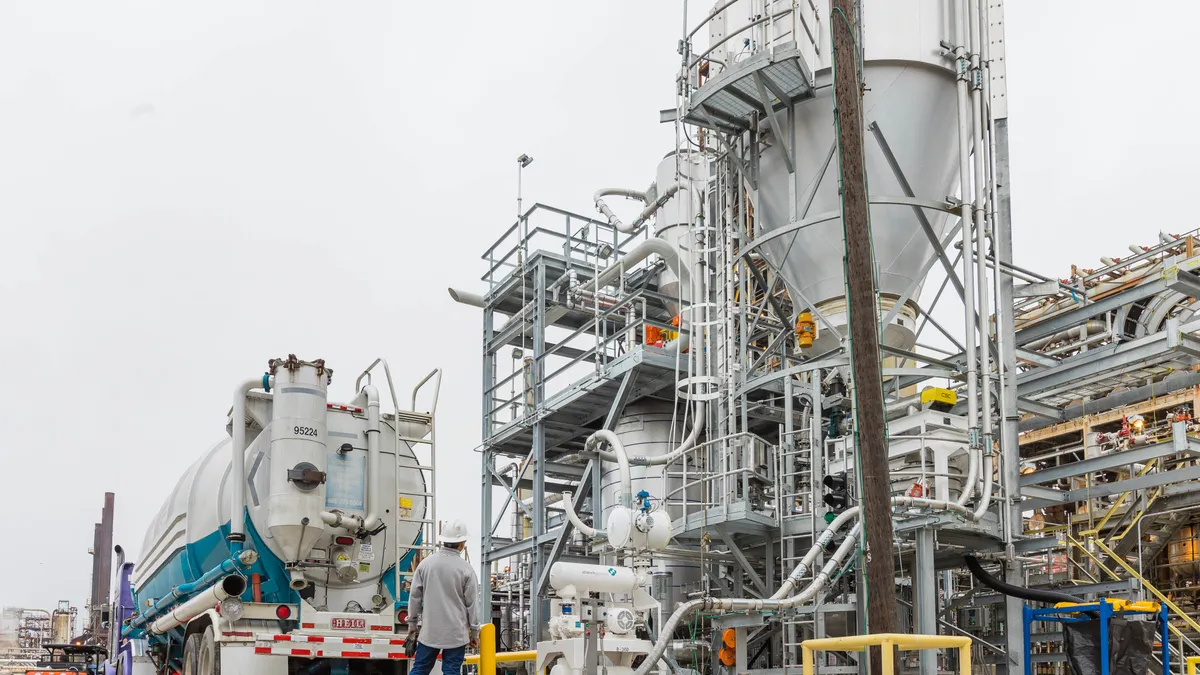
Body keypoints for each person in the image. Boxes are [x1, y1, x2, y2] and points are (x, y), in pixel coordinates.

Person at [407, 519, 480, 675]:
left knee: (420, 669)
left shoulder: (425, 565)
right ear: (462, 544)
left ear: (443, 541)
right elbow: (472, 605)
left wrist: (412, 626)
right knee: (451, 671)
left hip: (430, 632)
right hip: (456, 634)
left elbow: (414, 598)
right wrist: (475, 633)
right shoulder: (467, 570)